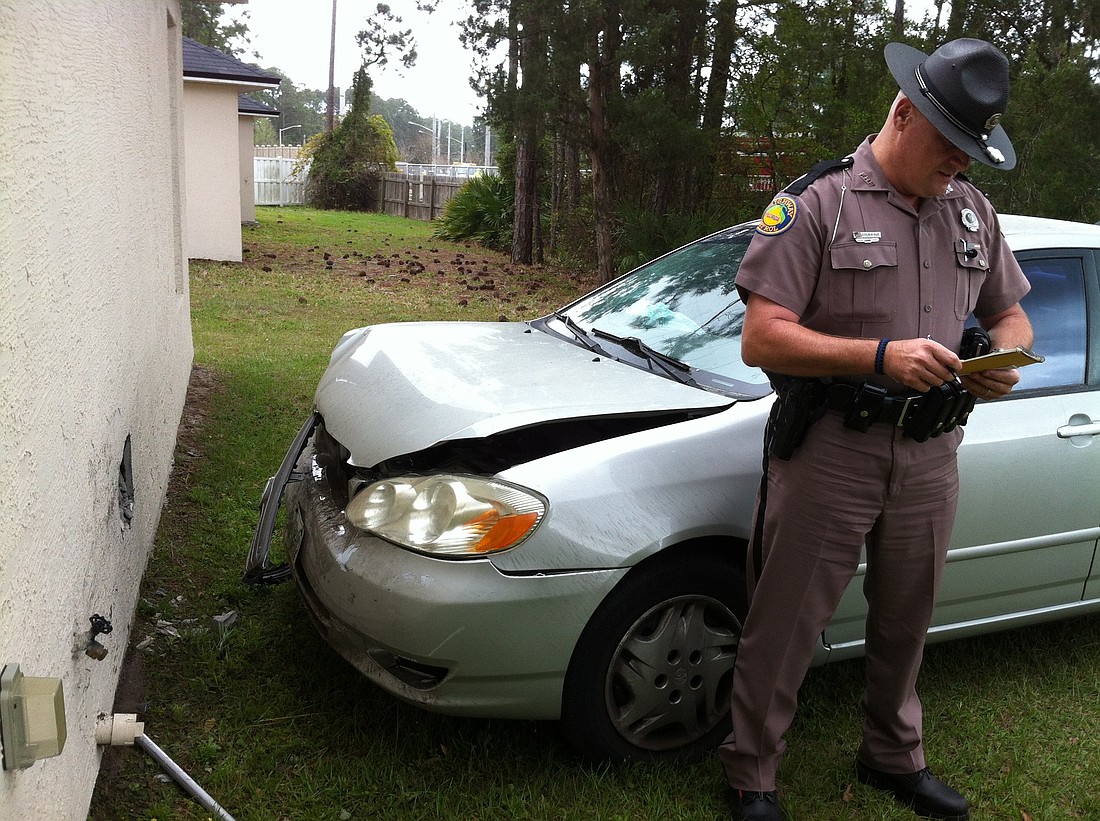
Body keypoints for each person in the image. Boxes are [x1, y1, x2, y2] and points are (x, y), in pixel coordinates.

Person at [718, 38, 1034, 821]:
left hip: (931, 454)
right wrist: (877, 356)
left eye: (972, 151)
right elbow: (762, 335)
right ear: (903, 112)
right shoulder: (817, 204)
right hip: (833, 448)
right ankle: (752, 773)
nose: (960, 164)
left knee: (907, 617)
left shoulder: (971, 209)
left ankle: (893, 753)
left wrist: (1000, 355)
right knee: (786, 620)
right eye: (951, 146)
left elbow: (1009, 307)